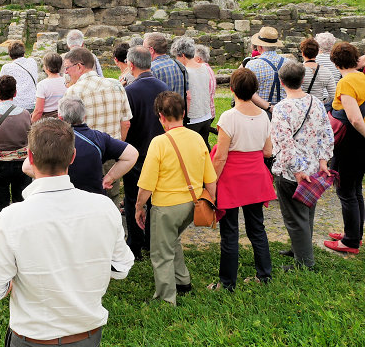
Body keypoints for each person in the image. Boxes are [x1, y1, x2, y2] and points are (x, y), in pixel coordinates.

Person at [0, 118, 134, 346]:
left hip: (33, 338)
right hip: (86, 336)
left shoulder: (12, 218)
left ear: (30, 157)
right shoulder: (104, 208)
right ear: (72, 157)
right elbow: (121, 267)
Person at [135, 92, 217, 304]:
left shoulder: (159, 143)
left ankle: (165, 298)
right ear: (183, 113)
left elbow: (146, 184)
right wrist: (210, 203)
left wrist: (138, 207)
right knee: (173, 241)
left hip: (167, 207)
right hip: (193, 204)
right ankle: (183, 282)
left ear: (161, 116)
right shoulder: (197, 138)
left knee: (161, 254)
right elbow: (210, 178)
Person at [209, 68, 276, 290]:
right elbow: (268, 151)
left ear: (231, 89)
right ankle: (264, 275)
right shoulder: (264, 116)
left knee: (229, 232)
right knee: (257, 227)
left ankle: (227, 283)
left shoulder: (229, 117)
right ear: (255, 90)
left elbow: (220, 156)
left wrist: (211, 184)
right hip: (255, 176)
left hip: (232, 178)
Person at [270, 61, 333, 267]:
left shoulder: (281, 109)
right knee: (307, 213)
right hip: (314, 168)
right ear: (303, 80)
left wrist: (297, 171)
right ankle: (300, 247)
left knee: (294, 217)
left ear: (281, 82)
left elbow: (285, 143)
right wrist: (324, 160)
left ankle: (304, 262)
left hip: (292, 172)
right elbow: (326, 132)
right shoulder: (316, 102)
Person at [63, 46, 132, 207]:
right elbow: (126, 122)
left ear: (79, 66)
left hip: (84, 156)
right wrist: (116, 145)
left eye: (67, 68)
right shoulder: (116, 85)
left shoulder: (73, 92)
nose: (66, 72)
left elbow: (67, 130)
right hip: (111, 153)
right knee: (111, 197)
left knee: (84, 201)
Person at [123, 46, 169, 259]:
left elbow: (127, 124)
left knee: (134, 199)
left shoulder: (130, 91)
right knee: (155, 200)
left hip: (137, 152)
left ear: (131, 65)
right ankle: (153, 241)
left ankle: (134, 244)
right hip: (160, 150)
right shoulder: (164, 87)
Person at [326, 42, 365, 255]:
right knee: (356, 189)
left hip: (350, 141)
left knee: (345, 190)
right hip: (359, 143)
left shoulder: (346, 82)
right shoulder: (362, 78)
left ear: (334, 62)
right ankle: (355, 233)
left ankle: (350, 241)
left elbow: (355, 118)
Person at [56, 96, 138, 195]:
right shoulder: (99, 138)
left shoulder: (52, 140)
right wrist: (110, 177)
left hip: (63, 198)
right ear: (84, 117)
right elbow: (132, 154)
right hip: (94, 198)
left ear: (60, 118)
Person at [0, 76, 32, 216]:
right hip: (21, 165)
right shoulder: (25, 115)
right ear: (15, 93)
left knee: (0, 207)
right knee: (21, 204)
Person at [171, 37, 213, 147]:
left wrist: (183, 117)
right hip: (206, 115)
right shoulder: (204, 67)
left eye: (177, 56)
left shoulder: (185, 72)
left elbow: (188, 96)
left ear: (183, 55)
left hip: (193, 118)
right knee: (204, 145)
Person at [245, 26, 287, 116]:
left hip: (260, 113)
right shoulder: (289, 64)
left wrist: (269, 107)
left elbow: (249, 92)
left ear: (259, 47)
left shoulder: (252, 65)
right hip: (285, 111)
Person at [144, 32, 187, 107]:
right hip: (178, 114)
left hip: (161, 116)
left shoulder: (152, 69)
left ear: (151, 50)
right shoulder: (179, 65)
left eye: (144, 48)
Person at [0, 41, 38, 113]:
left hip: (16, 106)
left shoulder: (7, 67)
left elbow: (0, 85)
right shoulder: (32, 62)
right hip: (32, 103)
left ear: (10, 55)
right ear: (23, 53)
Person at [299, 37, 336, 108]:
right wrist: (323, 102)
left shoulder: (297, 70)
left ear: (303, 53)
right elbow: (333, 95)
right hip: (318, 107)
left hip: (301, 106)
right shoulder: (326, 71)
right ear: (317, 52)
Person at [31, 52, 66, 122]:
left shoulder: (42, 85)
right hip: (63, 117)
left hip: (47, 120)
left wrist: (31, 123)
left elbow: (39, 110)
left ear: (47, 67)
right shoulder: (66, 82)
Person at [194, 45, 216, 121]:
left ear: (198, 59)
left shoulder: (200, 70)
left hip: (202, 114)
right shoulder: (209, 69)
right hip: (210, 111)